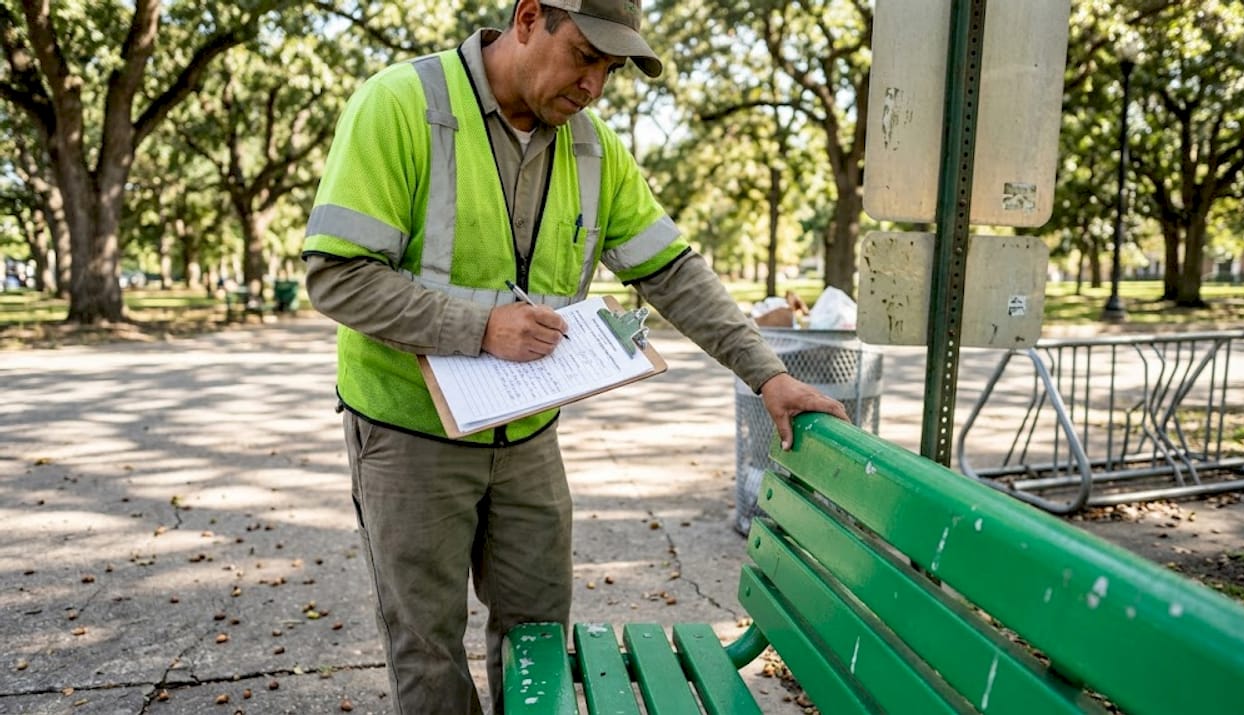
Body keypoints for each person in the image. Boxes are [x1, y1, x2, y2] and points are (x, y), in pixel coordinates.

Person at [302, 1, 849, 712]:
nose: (594, 86)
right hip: (410, 436)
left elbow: (673, 271)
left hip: (527, 438)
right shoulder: (401, 105)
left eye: (611, 70)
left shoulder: (592, 147)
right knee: (427, 652)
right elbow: (336, 273)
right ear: (529, 18)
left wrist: (767, 372)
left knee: (536, 639)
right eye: (586, 56)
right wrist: (480, 326)